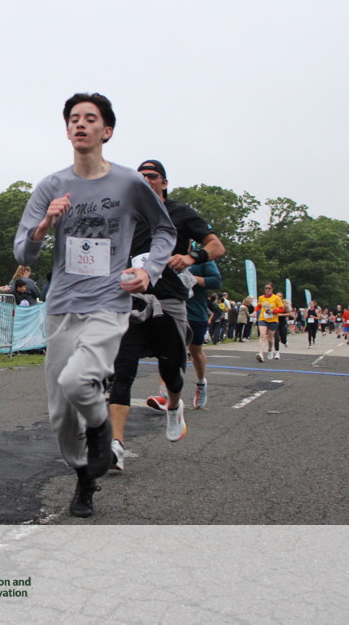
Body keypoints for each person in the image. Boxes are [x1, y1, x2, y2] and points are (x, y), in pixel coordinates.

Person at [14, 93, 176, 518]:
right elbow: (23, 254)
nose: (80, 124)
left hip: (109, 301)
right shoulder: (51, 186)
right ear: (67, 129)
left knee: (78, 380)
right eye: (73, 118)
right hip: (62, 304)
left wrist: (149, 270)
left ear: (107, 131)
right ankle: (84, 475)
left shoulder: (128, 183)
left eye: (90, 118)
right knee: (60, 414)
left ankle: (102, 426)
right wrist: (44, 225)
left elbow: (165, 230)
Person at [107, 160, 225, 472]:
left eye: (152, 176)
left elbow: (216, 246)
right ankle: (116, 445)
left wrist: (191, 257)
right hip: (133, 300)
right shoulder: (126, 215)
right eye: (140, 177)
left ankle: (173, 407)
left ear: (164, 182)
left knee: (171, 369)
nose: (146, 180)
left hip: (170, 299)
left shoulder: (180, 213)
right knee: (123, 371)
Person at [186, 257, 222, 410]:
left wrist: (192, 279)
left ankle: (201, 383)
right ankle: (164, 394)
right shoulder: (166, 254)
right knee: (169, 352)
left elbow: (216, 281)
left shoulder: (201, 258)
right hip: (173, 312)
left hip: (195, 314)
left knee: (196, 352)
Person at [255, 282, 285, 362]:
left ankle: (270, 349)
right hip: (263, 318)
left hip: (273, 320)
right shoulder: (261, 297)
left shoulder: (276, 298)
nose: (267, 290)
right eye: (266, 288)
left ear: (272, 289)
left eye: (269, 288)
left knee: (270, 339)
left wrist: (273, 311)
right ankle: (260, 354)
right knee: (262, 335)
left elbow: (282, 309)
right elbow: (259, 306)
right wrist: (255, 311)